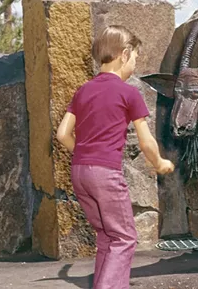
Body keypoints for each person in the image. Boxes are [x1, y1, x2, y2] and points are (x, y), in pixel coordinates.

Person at [55, 25, 175, 289]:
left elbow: (63, 134)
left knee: (107, 237)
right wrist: (160, 162)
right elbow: (146, 141)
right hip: (105, 174)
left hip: (80, 172)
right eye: (135, 58)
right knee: (124, 237)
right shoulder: (129, 92)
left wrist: (86, 154)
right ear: (124, 54)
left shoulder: (83, 90)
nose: (134, 64)